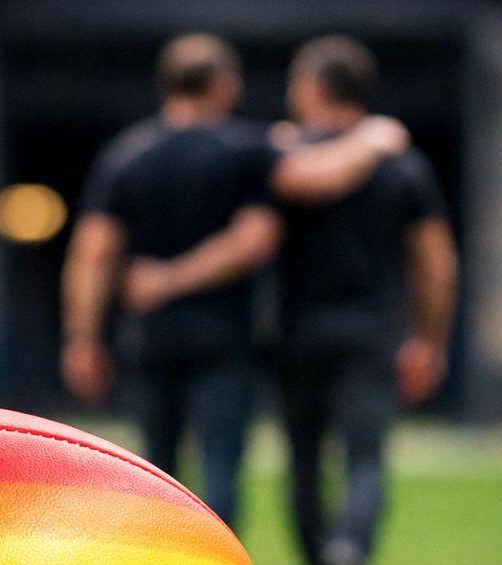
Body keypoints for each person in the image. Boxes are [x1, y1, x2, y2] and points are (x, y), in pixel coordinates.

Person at [60, 33, 408, 534]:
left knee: (153, 472)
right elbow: (292, 203)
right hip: (225, 340)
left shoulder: (125, 156)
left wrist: (82, 338)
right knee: (220, 468)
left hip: (150, 339)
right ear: (223, 86)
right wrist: (371, 139)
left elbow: (92, 255)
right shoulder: (245, 149)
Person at [275, 36, 458, 565]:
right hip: (372, 331)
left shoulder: (284, 157)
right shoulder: (403, 165)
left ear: (312, 89)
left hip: (295, 329)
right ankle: (348, 553)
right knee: (365, 457)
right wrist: (429, 338)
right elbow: (436, 262)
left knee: (303, 456)